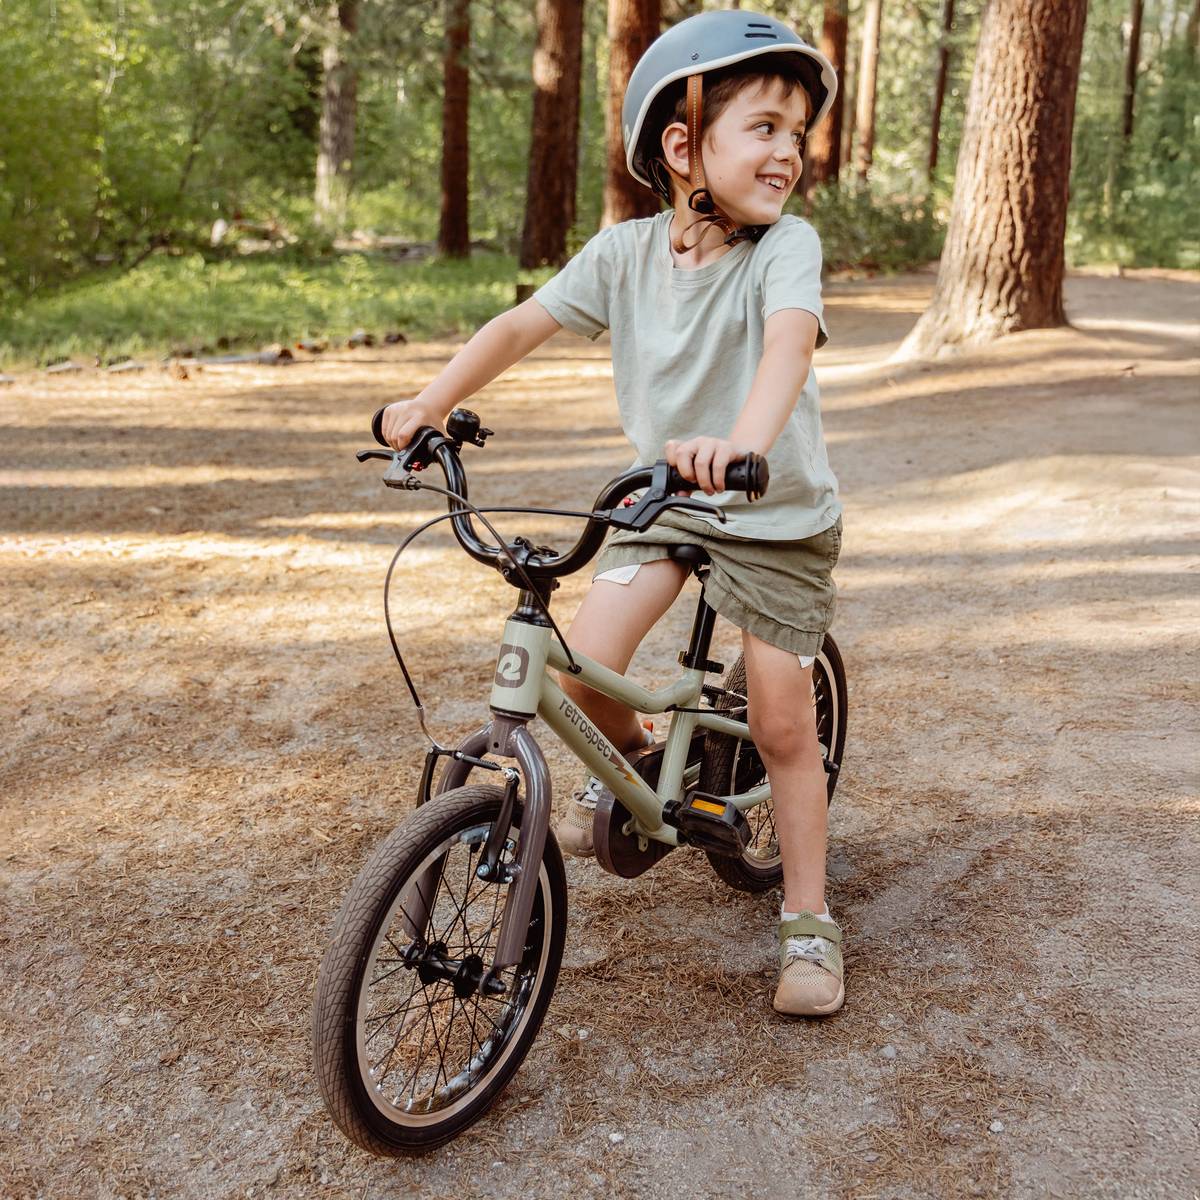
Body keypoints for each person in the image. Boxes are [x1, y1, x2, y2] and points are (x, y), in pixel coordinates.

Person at [379, 10, 844, 1017]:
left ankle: (808, 920)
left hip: (770, 512)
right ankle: (638, 769)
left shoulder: (785, 249)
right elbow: (521, 323)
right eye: (764, 127)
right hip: (667, 502)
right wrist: (428, 403)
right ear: (683, 146)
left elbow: (787, 347)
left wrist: (742, 443)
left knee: (780, 724)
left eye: (797, 134)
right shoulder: (625, 255)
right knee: (579, 666)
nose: (788, 152)